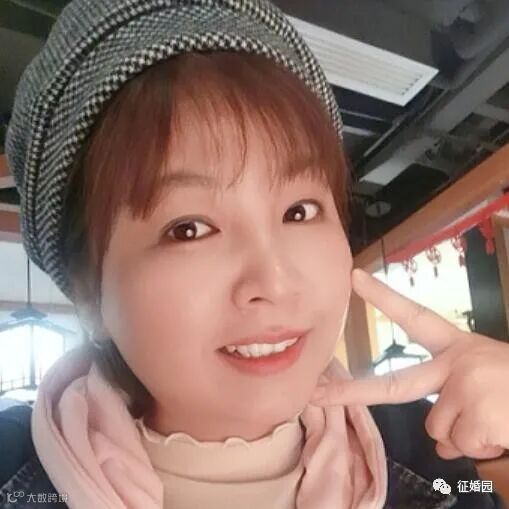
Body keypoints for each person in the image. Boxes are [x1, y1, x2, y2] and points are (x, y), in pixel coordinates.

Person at [0, 1, 507, 508]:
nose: (275, 280)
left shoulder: (431, 459)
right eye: (189, 229)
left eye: (299, 211)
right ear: (89, 294)